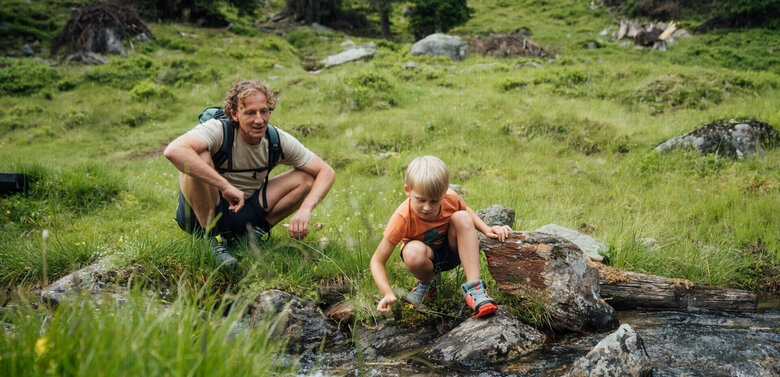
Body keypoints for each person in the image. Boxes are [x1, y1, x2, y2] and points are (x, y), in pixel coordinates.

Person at [164, 79, 335, 267]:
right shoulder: (218, 130)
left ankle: (251, 236)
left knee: (306, 179)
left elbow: (326, 171)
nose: (259, 120)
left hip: (243, 211)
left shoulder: (276, 140)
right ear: (234, 114)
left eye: (264, 111)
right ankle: (212, 240)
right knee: (195, 156)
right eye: (250, 113)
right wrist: (225, 186)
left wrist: (305, 209)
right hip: (199, 215)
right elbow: (174, 151)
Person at [369, 156, 511, 317]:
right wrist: (387, 292)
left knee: (462, 217)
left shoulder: (450, 198)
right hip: (424, 260)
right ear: (408, 190)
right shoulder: (401, 218)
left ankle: (475, 291)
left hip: (452, 252)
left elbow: (465, 209)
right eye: (421, 200)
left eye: (435, 201)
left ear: (444, 194)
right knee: (412, 252)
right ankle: (429, 282)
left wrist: (486, 229)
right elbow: (377, 261)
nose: (427, 207)